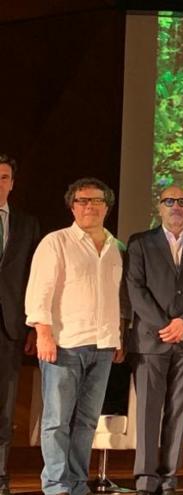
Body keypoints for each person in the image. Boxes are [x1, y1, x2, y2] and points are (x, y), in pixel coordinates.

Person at [25, 177, 125, 495]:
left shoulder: (117, 248)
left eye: (96, 200)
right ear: (72, 206)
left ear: (107, 206)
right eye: (82, 200)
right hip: (65, 343)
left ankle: (78, 482)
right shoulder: (55, 242)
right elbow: (39, 291)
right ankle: (56, 485)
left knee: (87, 422)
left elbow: (119, 298)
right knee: (56, 420)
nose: (89, 206)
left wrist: (118, 337)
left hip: (104, 345)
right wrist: (43, 332)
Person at [127, 185, 183, 495]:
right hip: (151, 341)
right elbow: (135, 290)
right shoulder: (140, 243)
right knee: (149, 412)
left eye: (182, 201)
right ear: (159, 208)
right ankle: (145, 479)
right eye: (169, 201)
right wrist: (164, 325)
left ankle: (168, 479)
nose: (176, 206)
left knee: (180, 413)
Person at [0, 153, 39, 495]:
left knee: (5, 403)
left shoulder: (27, 224)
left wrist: (32, 326)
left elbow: (32, 278)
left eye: (3, 177)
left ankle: (0, 475)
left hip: (10, 326)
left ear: (12, 183)